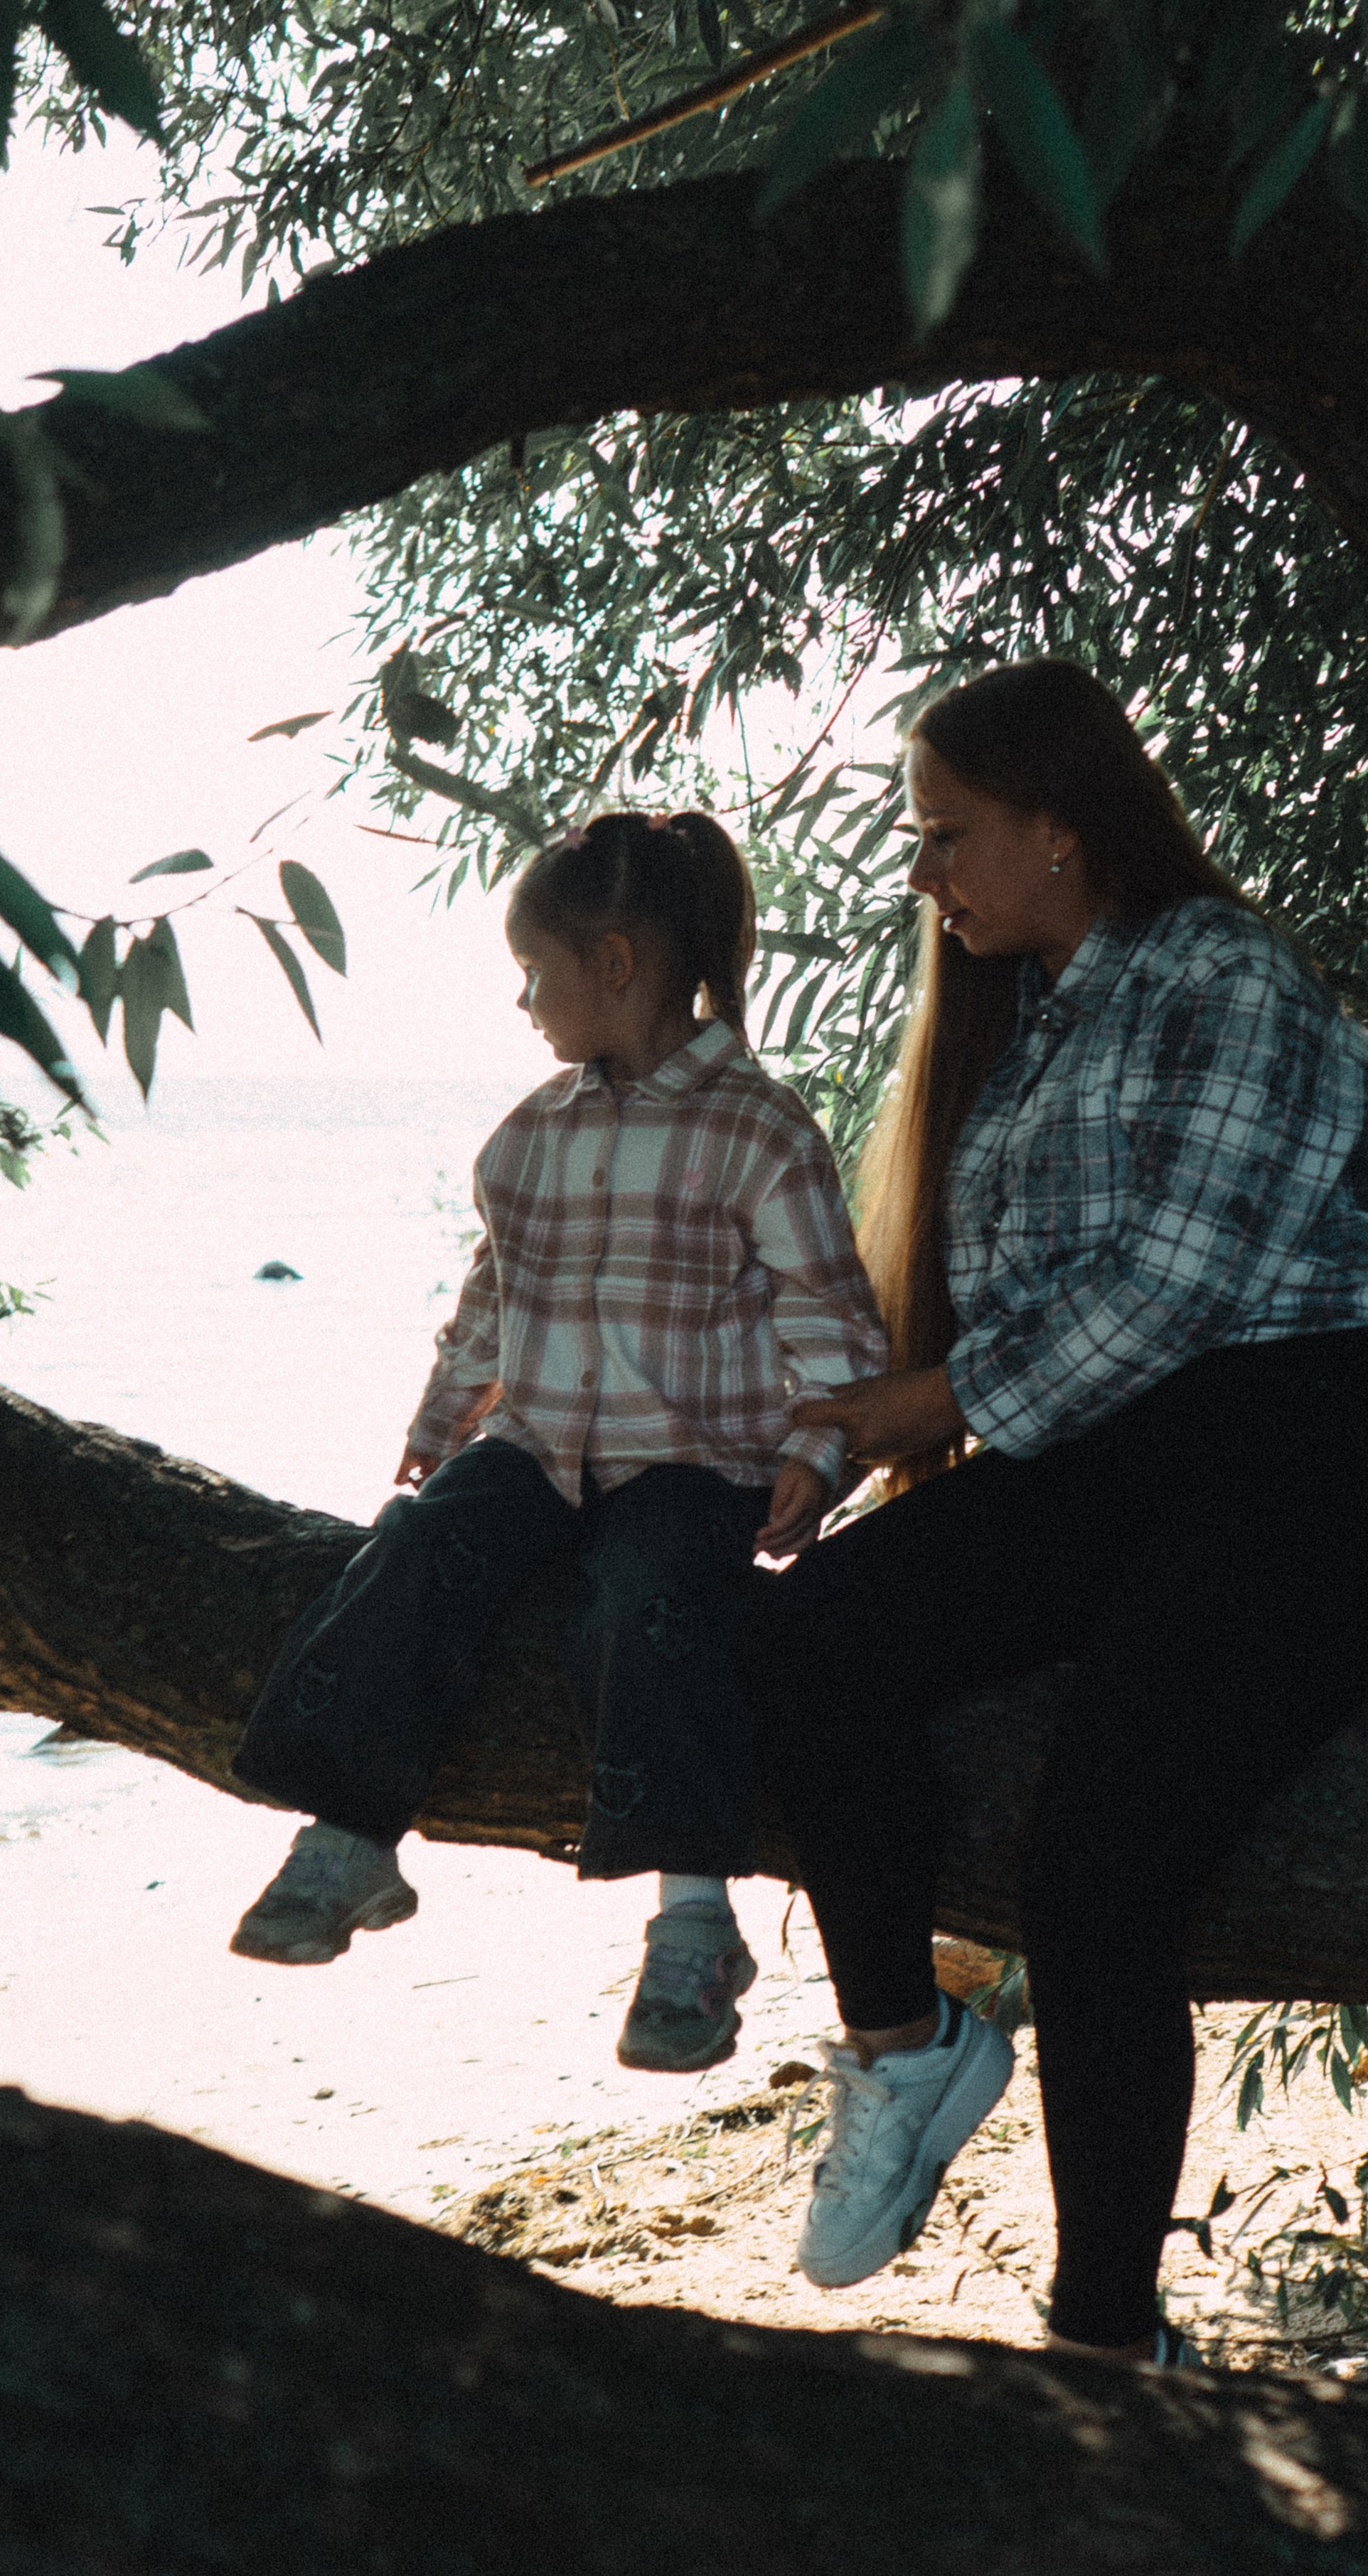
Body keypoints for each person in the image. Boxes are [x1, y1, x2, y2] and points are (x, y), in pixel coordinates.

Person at [752, 658, 1368, 2363]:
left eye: (946, 836)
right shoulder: (1042, 1006)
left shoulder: (1230, 979)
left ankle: (1106, 2335)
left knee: (1099, 1854)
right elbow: (1000, 1320)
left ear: (1060, 828)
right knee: (805, 1637)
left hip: (1297, 1458)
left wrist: (951, 1406)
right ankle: (908, 2050)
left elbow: (1177, 1278)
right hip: (1098, 1453)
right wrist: (843, 1438)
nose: (925, 874)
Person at [228, 808, 888, 2073]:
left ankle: (694, 1921)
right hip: (534, 1449)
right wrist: (435, 1431)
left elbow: (833, 1327)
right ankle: (353, 1832)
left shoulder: (759, 1131)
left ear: (618, 963)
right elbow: (490, 1303)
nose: (524, 1001)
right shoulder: (531, 1137)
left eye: (537, 972)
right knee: (418, 1550)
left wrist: (818, 1459)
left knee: (645, 1608)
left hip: (692, 1461)